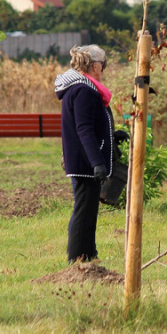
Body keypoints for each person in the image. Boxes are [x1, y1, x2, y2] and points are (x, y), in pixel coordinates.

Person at [55, 45, 114, 263]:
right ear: (95, 66)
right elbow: (84, 129)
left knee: (89, 211)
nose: (104, 68)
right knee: (83, 211)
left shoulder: (81, 87)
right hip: (85, 161)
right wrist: (97, 162)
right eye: (103, 64)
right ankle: (77, 259)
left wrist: (111, 134)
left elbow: (89, 124)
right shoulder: (84, 90)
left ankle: (89, 255)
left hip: (84, 158)